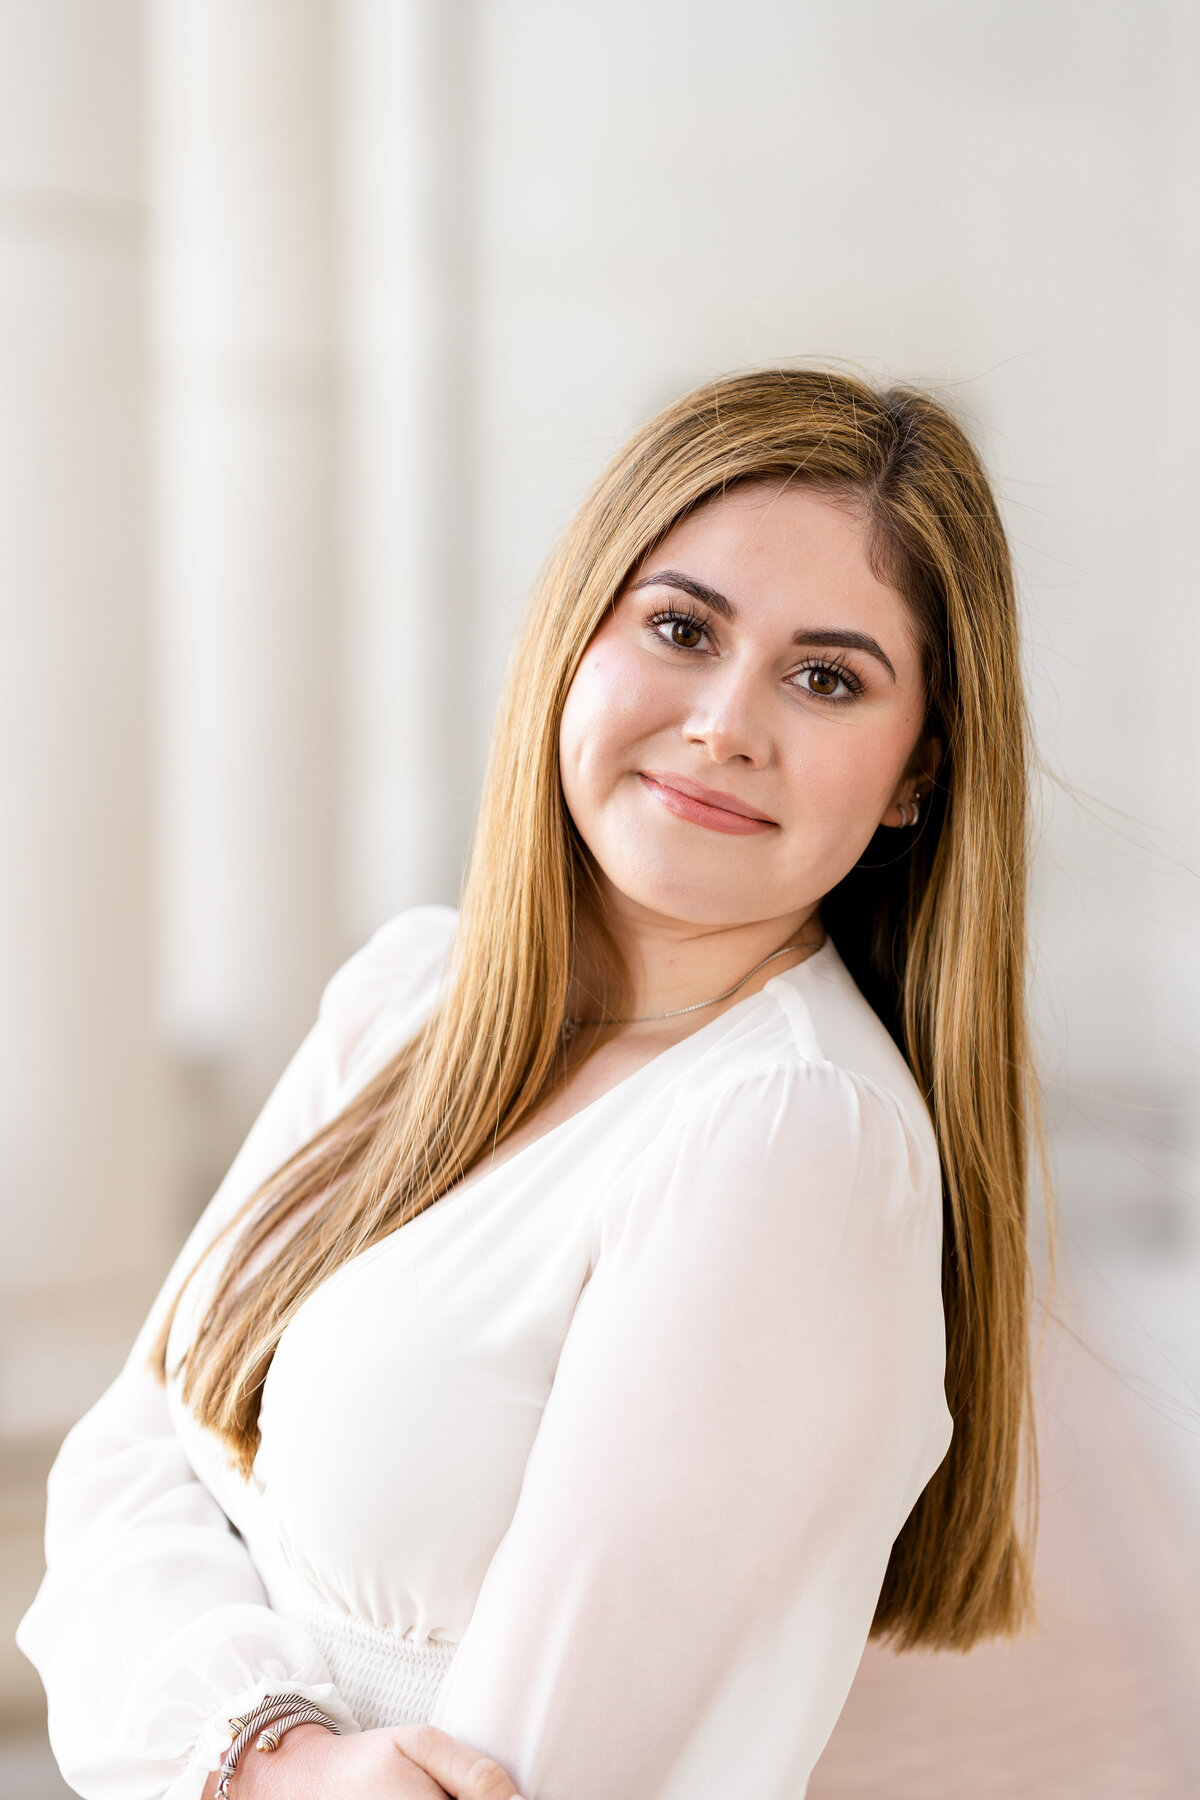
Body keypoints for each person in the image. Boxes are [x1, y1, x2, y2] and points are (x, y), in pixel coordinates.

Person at [18, 367, 1039, 1800]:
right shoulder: (409, 997)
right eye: (682, 629)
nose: (725, 725)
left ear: (918, 768)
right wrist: (271, 1760)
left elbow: (517, 1779)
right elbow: (126, 1463)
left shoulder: (788, 1137)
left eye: (825, 677)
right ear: (577, 636)